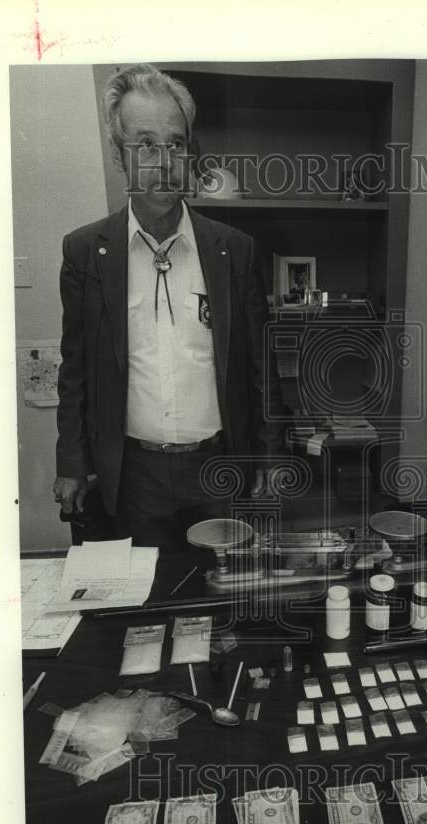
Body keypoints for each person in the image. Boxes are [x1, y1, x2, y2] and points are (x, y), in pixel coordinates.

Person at [52, 64, 283, 552]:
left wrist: (268, 455)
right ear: (119, 156)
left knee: (222, 598)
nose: (164, 161)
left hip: (219, 467)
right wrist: (71, 463)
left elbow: (261, 368)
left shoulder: (234, 251)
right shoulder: (84, 254)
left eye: (176, 144)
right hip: (135, 475)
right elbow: (74, 371)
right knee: (146, 605)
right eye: (146, 145)